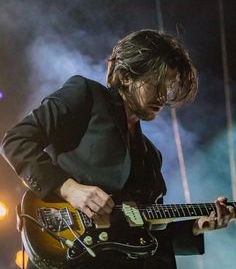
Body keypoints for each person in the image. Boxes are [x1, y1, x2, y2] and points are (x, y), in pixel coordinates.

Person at [1, 29, 235, 269]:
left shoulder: (151, 156)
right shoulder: (87, 94)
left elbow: (143, 233)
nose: (164, 96)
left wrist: (196, 227)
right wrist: (70, 189)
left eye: (169, 86)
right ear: (125, 76)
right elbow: (17, 140)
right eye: (157, 84)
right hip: (67, 246)